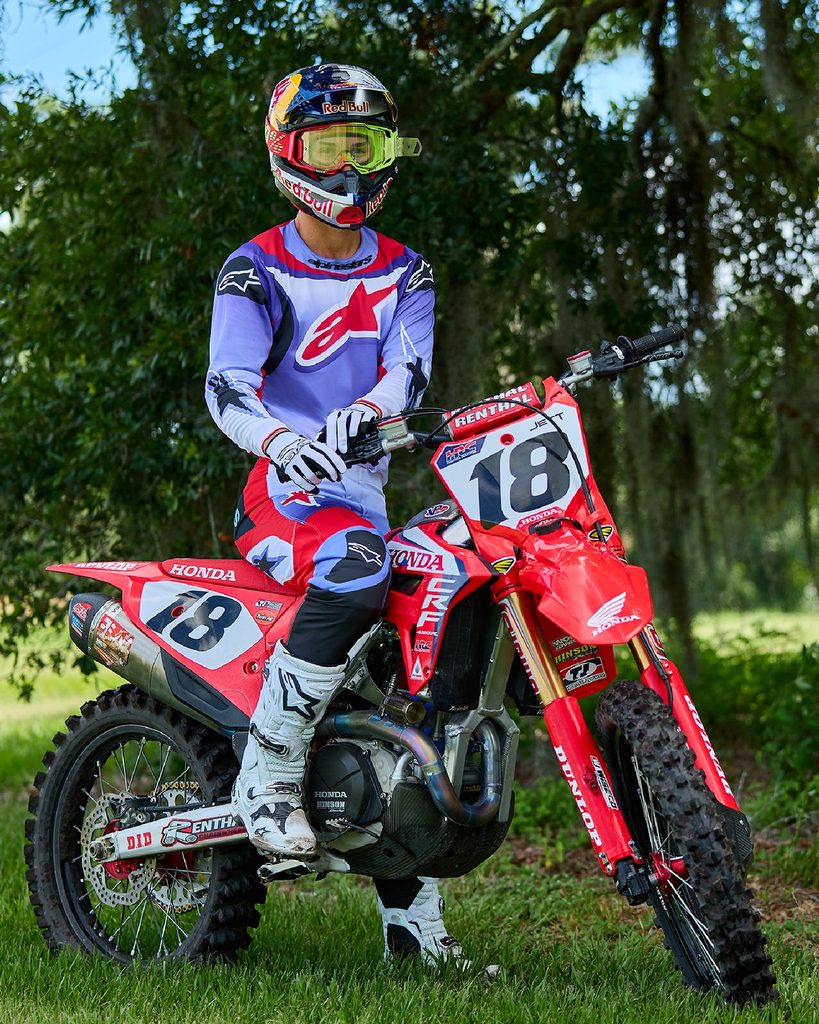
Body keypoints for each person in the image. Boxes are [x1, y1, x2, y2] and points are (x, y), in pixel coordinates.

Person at [205, 62, 462, 966]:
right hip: (281, 495)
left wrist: (370, 413)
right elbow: (226, 387)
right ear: (289, 155)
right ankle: (269, 772)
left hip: (361, 496)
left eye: (367, 145)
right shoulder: (253, 269)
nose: (350, 167)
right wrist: (282, 442)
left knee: (415, 673)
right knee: (356, 567)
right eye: (329, 147)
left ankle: (413, 933)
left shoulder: (406, 270)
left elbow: (408, 373)